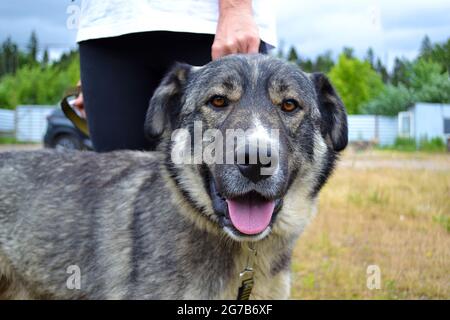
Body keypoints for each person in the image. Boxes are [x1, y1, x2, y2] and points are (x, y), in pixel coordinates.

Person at [76, 0, 277, 152]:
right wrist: (91, 79)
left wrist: (236, 8)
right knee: (116, 189)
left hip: (206, 24)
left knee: (234, 177)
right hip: (106, 29)